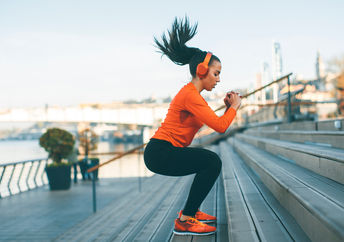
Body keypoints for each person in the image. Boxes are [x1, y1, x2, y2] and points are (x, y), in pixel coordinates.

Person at [143, 17, 242, 236]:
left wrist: (227, 109)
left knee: (207, 162)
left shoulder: (193, 96)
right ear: (201, 70)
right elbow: (220, 127)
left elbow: (216, 122)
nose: (218, 80)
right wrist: (234, 107)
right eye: (216, 73)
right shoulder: (190, 95)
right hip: (160, 152)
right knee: (211, 162)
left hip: (163, 151)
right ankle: (186, 220)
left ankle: (191, 212)